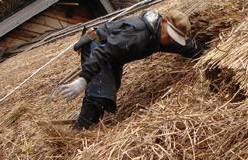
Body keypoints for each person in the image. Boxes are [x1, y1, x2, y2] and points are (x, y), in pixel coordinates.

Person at [58, 9, 203, 129]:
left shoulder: (160, 35)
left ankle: (90, 123)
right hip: (98, 46)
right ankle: (78, 132)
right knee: (100, 93)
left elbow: (184, 47)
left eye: (175, 39)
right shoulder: (136, 34)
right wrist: (83, 79)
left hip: (115, 55)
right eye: (171, 36)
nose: (171, 41)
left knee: (109, 91)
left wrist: (206, 54)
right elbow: (103, 52)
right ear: (164, 22)